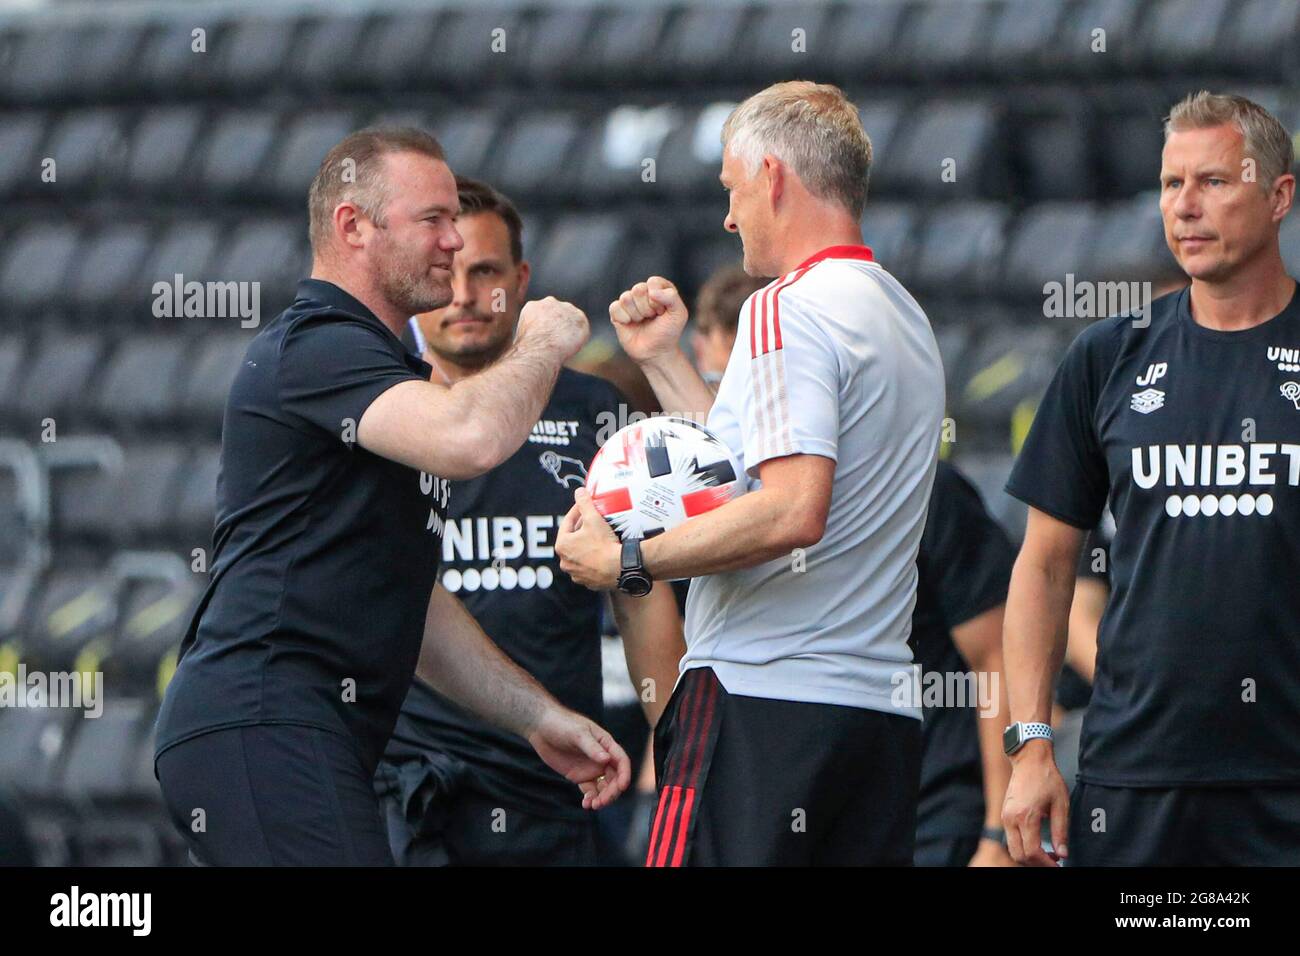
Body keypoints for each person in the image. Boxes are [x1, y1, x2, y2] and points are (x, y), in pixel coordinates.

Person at [153, 128, 630, 866]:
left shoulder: (382, 370)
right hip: (261, 717)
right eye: (432, 220)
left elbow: (418, 605)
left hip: (301, 731)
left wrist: (534, 714)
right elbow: (471, 439)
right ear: (353, 227)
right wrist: (540, 340)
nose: (452, 240)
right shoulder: (318, 343)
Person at [557, 81, 946, 866]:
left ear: (772, 176)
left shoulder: (782, 308)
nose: (730, 217)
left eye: (733, 190)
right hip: (874, 718)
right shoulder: (903, 313)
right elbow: (748, 471)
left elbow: (791, 510)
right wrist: (667, 363)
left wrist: (623, 561)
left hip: (758, 704)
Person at [1001, 92, 1300, 866]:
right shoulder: (1108, 356)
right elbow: (1043, 563)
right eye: (1171, 186)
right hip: (1135, 778)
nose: (1186, 209)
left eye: (1213, 183)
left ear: (1278, 196)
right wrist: (1032, 746)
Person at [377, 177, 683, 866]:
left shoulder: (592, 411)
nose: (462, 295)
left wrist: (678, 748)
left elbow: (640, 594)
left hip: (554, 788)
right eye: (445, 273)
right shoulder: (378, 411)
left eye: (483, 271)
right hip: (407, 795)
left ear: (521, 279)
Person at [912, 460, 1017, 867]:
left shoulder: (926, 487)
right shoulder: (738, 497)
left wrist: (999, 835)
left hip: (940, 820)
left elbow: (999, 656)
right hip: (816, 818)